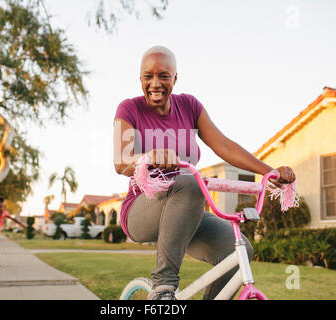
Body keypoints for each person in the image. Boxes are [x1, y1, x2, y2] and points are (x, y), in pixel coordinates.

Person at [113, 46, 296, 300]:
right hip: (142, 210)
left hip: (187, 210)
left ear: (175, 78)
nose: (155, 83)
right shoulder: (129, 109)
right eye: (148, 76)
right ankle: (163, 287)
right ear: (140, 78)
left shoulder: (189, 106)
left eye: (164, 76)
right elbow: (121, 162)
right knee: (190, 181)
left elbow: (225, 145)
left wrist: (271, 172)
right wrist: (149, 157)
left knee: (237, 253)